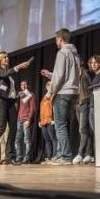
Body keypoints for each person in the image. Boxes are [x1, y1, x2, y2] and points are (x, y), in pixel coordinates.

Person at [0, 53, 32, 165]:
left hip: (10, 102)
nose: (7, 58)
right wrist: (19, 66)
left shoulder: (9, 76)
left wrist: (19, 94)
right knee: (1, 128)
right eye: (4, 57)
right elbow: (5, 75)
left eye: (7, 57)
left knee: (13, 128)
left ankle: (10, 157)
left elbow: (9, 91)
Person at [41, 28, 80, 165]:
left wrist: (51, 91)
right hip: (73, 92)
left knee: (60, 125)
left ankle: (65, 156)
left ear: (60, 39)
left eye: (56, 39)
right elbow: (69, 74)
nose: (55, 42)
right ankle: (60, 155)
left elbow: (60, 76)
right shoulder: (74, 54)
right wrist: (51, 74)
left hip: (63, 92)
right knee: (62, 125)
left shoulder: (62, 53)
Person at [74, 58, 94, 165]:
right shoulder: (75, 76)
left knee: (82, 129)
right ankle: (89, 154)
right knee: (84, 130)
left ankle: (80, 154)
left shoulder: (85, 75)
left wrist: (87, 103)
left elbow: (90, 90)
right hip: (77, 104)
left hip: (84, 103)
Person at [15, 81, 36, 164]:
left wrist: (28, 120)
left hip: (26, 120)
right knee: (17, 140)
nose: (23, 86)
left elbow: (32, 108)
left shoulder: (31, 94)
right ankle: (19, 157)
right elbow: (20, 108)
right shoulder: (21, 95)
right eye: (22, 84)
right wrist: (17, 119)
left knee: (27, 139)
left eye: (25, 84)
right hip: (19, 120)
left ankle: (26, 158)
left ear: (28, 85)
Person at [38, 80, 56, 163]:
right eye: (47, 84)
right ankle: (49, 157)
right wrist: (39, 120)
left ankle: (55, 156)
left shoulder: (53, 95)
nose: (48, 85)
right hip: (43, 121)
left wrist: (54, 119)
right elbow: (41, 109)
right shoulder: (44, 96)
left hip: (50, 121)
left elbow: (55, 108)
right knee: (47, 140)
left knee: (53, 139)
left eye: (50, 84)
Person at [88, 55, 100, 133]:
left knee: (99, 131)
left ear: (99, 63)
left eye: (95, 62)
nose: (93, 64)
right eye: (92, 63)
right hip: (92, 105)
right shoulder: (95, 77)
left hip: (97, 105)